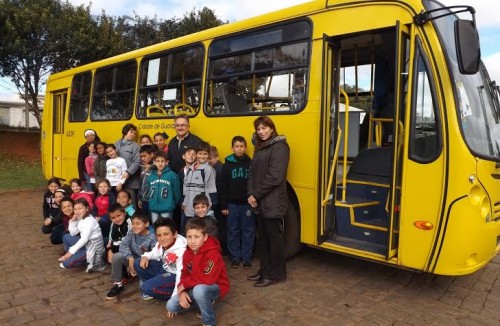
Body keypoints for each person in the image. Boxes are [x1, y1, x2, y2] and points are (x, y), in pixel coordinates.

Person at [247, 115, 290, 287]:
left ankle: (275, 274)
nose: (261, 132)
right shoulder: (259, 147)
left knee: (274, 240)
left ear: (272, 129)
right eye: (258, 129)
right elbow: (251, 173)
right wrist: (251, 194)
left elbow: (275, 177)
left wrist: (256, 195)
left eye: (264, 128)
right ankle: (265, 270)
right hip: (260, 200)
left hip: (272, 202)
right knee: (263, 239)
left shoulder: (280, 147)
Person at [166, 218, 229, 326]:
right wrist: (182, 292)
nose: (192, 241)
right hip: (194, 286)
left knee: (199, 290)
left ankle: (209, 322)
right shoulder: (187, 253)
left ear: (205, 237)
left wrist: (185, 284)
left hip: (215, 286)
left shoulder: (213, 252)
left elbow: (208, 279)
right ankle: (202, 303)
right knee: (171, 306)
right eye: (189, 237)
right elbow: (184, 274)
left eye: (197, 237)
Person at [219, 136, 254, 269]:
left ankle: (246, 257)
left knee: (248, 231)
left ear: (245, 148)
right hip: (231, 205)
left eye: (242, 146)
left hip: (247, 204)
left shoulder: (250, 164)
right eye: (236, 146)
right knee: (233, 231)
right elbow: (223, 186)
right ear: (232, 148)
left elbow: (254, 183)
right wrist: (223, 205)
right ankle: (235, 257)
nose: (239, 149)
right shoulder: (227, 165)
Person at [106, 212, 156, 300]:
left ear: (146, 224)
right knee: (116, 256)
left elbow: (154, 255)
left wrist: (137, 263)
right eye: (133, 224)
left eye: (138, 223)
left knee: (145, 289)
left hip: (145, 262)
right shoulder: (132, 232)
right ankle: (118, 284)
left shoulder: (152, 237)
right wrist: (130, 258)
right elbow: (123, 245)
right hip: (133, 257)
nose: (135, 226)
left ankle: (144, 278)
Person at [135, 218, 187, 301]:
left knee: (146, 287)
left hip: (174, 275)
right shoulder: (161, 242)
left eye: (166, 234)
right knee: (138, 262)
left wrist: (175, 299)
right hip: (164, 267)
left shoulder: (182, 250)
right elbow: (155, 253)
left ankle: (171, 294)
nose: (162, 238)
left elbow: (181, 276)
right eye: (159, 235)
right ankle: (156, 286)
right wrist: (146, 256)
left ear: (174, 234)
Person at [58, 198, 107, 272]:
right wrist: (72, 221)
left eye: (80, 208)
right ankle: (77, 256)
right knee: (66, 237)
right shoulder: (81, 218)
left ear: (87, 208)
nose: (77, 211)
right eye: (75, 209)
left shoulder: (89, 221)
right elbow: (73, 233)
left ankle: (84, 260)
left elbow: (84, 239)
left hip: (93, 248)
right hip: (86, 244)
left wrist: (70, 252)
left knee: (66, 264)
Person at [182, 141, 217, 229]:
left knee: (200, 232)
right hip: (189, 209)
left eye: (205, 154)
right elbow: (185, 187)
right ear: (196, 154)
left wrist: (209, 206)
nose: (202, 156)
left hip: (200, 210)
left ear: (208, 155)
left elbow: (211, 189)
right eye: (200, 153)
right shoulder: (189, 169)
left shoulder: (208, 170)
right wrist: (184, 203)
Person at [144, 152, 181, 223]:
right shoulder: (151, 176)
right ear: (154, 162)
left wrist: (171, 203)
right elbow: (148, 190)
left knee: (166, 227)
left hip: (167, 208)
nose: (160, 163)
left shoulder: (172, 175)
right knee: (155, 228)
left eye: (162, 161)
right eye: (158, 161)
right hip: (154, 208)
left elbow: (177, 193)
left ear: (167, 162)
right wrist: (151, 202)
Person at [115, 123, 141, 209]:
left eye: (134, 133)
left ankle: (132, 221)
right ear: (125, 132)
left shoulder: (135, 146)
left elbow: (137, 161)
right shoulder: (116, 143)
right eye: (131, 132)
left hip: (131, 182)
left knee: (131, 206)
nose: (133, 135)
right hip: (117, 181)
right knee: (119, 205)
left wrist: (128, 172)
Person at [208, 145, 228, 256]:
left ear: (217, 157)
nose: (208, 161)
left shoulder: (220, 169)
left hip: (219, 204)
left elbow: (221, 189)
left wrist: (222, 206)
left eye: (210, 158)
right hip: (216, 203)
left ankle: (223, 250)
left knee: (221, 228)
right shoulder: (214, 168)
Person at [138, 144, 157, 215]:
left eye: (144, 156)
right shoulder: (143, 167)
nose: (142, 158)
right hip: (143, 200)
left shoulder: (156, 167)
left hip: (152, 200)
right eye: (141, 156)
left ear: (152, 154)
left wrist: (152, 166)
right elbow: (141, 183)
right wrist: (139, 198)